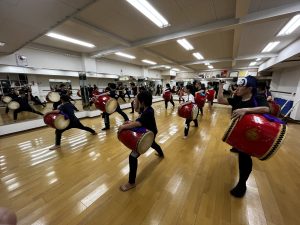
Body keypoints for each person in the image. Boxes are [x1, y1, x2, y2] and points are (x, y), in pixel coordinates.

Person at [217, 76, 269, 197]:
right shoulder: (237, 98)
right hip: (239, 132)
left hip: (252, 134)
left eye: (241, 86)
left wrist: (245, 110)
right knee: (239, 149)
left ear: (249, 88)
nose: (238, 88)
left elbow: (266, 109)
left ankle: (242, 184)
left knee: (244, 157)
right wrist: (220, 85)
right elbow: (220, 100)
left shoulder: (258, 98)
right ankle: (236, 148)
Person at [118, 91, 164, 191]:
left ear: (142, 102)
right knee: (153, 144)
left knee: (132, 156)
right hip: (149, 131)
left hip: (149, 134)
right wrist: (129, 122)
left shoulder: (149, 111)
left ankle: (131, 183)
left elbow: (138, 124)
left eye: (137, 100)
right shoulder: (145, 108)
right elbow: (139, 119)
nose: (135, 101)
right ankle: (161, 154)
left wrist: (124, 126)